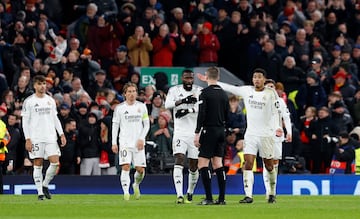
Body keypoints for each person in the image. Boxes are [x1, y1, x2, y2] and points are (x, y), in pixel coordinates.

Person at [198, 68, 282, 203]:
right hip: (251, 134)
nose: (257, 80)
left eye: (259, 77)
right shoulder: (247, 90)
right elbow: (230, 88)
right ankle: (249, 196)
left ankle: (271, 192)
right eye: (255, 77)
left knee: (269, 165)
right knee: (248, 163)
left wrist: (278, 127)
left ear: (264, 80)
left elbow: (278, 111)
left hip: (266, 134)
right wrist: (210, 81)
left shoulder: (270, 93)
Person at [21, 75, 66, 200]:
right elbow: (25, 121)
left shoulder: (50, 100)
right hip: (36, 137)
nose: (42, 86)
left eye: (44, 84)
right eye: (40, 84)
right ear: (35, 86)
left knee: (55, 162)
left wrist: (61, 133)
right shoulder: (29, 101)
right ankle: (40, 192)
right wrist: (28, 138)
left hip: (50, 136)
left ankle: (45, 184)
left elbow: (55, 118)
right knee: (38, 163)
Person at [164, 69, 202, 204]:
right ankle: (179, 195)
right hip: (180, 132)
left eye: (191, 78)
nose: (189, 81)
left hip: (195, 132)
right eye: (186, 78)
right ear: (182, 78)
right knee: (179, 158)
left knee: (193, 165)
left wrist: (189, 109)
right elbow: (167, 104)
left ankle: (190, 191)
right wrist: (183, 101)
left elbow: (204, 108)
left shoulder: (199, 90)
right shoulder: (174, 90)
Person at [194, 66, 229, 205]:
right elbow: (227, 114)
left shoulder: (204, 93)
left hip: (209, 130)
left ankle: (208, 198)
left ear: (206, 77)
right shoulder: (224, 94)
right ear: (218, 77)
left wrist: (197, 132)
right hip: (221, 130)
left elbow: (201, 114)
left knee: (202, 163)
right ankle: (221, 199)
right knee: (217, 163)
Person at [111, 82, 150, 201]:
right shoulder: (119, 108)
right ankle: (126, 193)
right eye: (129, 91)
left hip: (138, 144)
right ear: (125, 94)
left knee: (140, 170)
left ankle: (136, 184)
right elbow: (115, 126)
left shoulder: (142, 106)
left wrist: (141, 138)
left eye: (134, 91)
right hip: (125, 143)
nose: (132, 94)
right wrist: (114, 142)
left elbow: (147, 125)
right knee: (126, 166)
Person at [263, 79, 292, 200]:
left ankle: (273, 190)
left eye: (272, 87)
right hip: (264, 135)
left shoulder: (280, 102)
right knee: (266, 162)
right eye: (268, 87)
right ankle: (268, 191)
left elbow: (286, 117)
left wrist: (289, 132)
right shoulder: (259, 102)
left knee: (275, 163)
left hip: (277, 137)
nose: (271, 89)